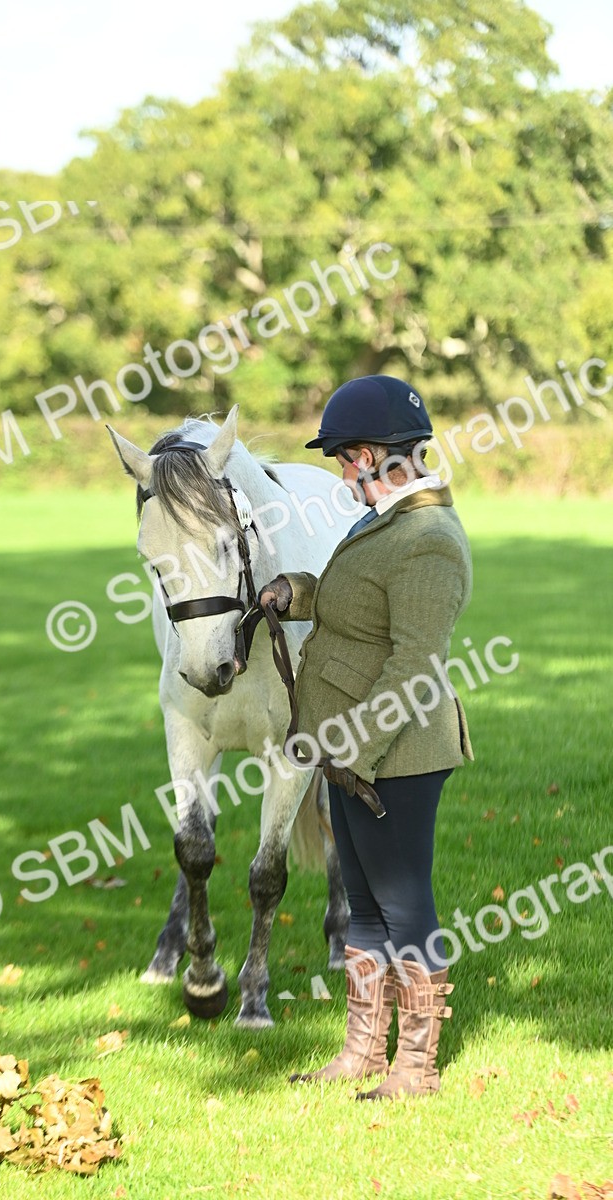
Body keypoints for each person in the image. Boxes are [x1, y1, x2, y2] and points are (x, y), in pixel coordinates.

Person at [259, 375, 473, 1100]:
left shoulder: (429, 539)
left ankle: (415, 1067)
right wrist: (298, 591)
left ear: (382, 456)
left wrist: (354, 755)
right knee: (366, 908)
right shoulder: (381, 520)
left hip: (396, 756)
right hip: (351, 752)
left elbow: (416, 665)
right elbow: (357, 602)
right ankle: (360, 1053)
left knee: (405, 908)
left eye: (347, 458)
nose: (342, 474)